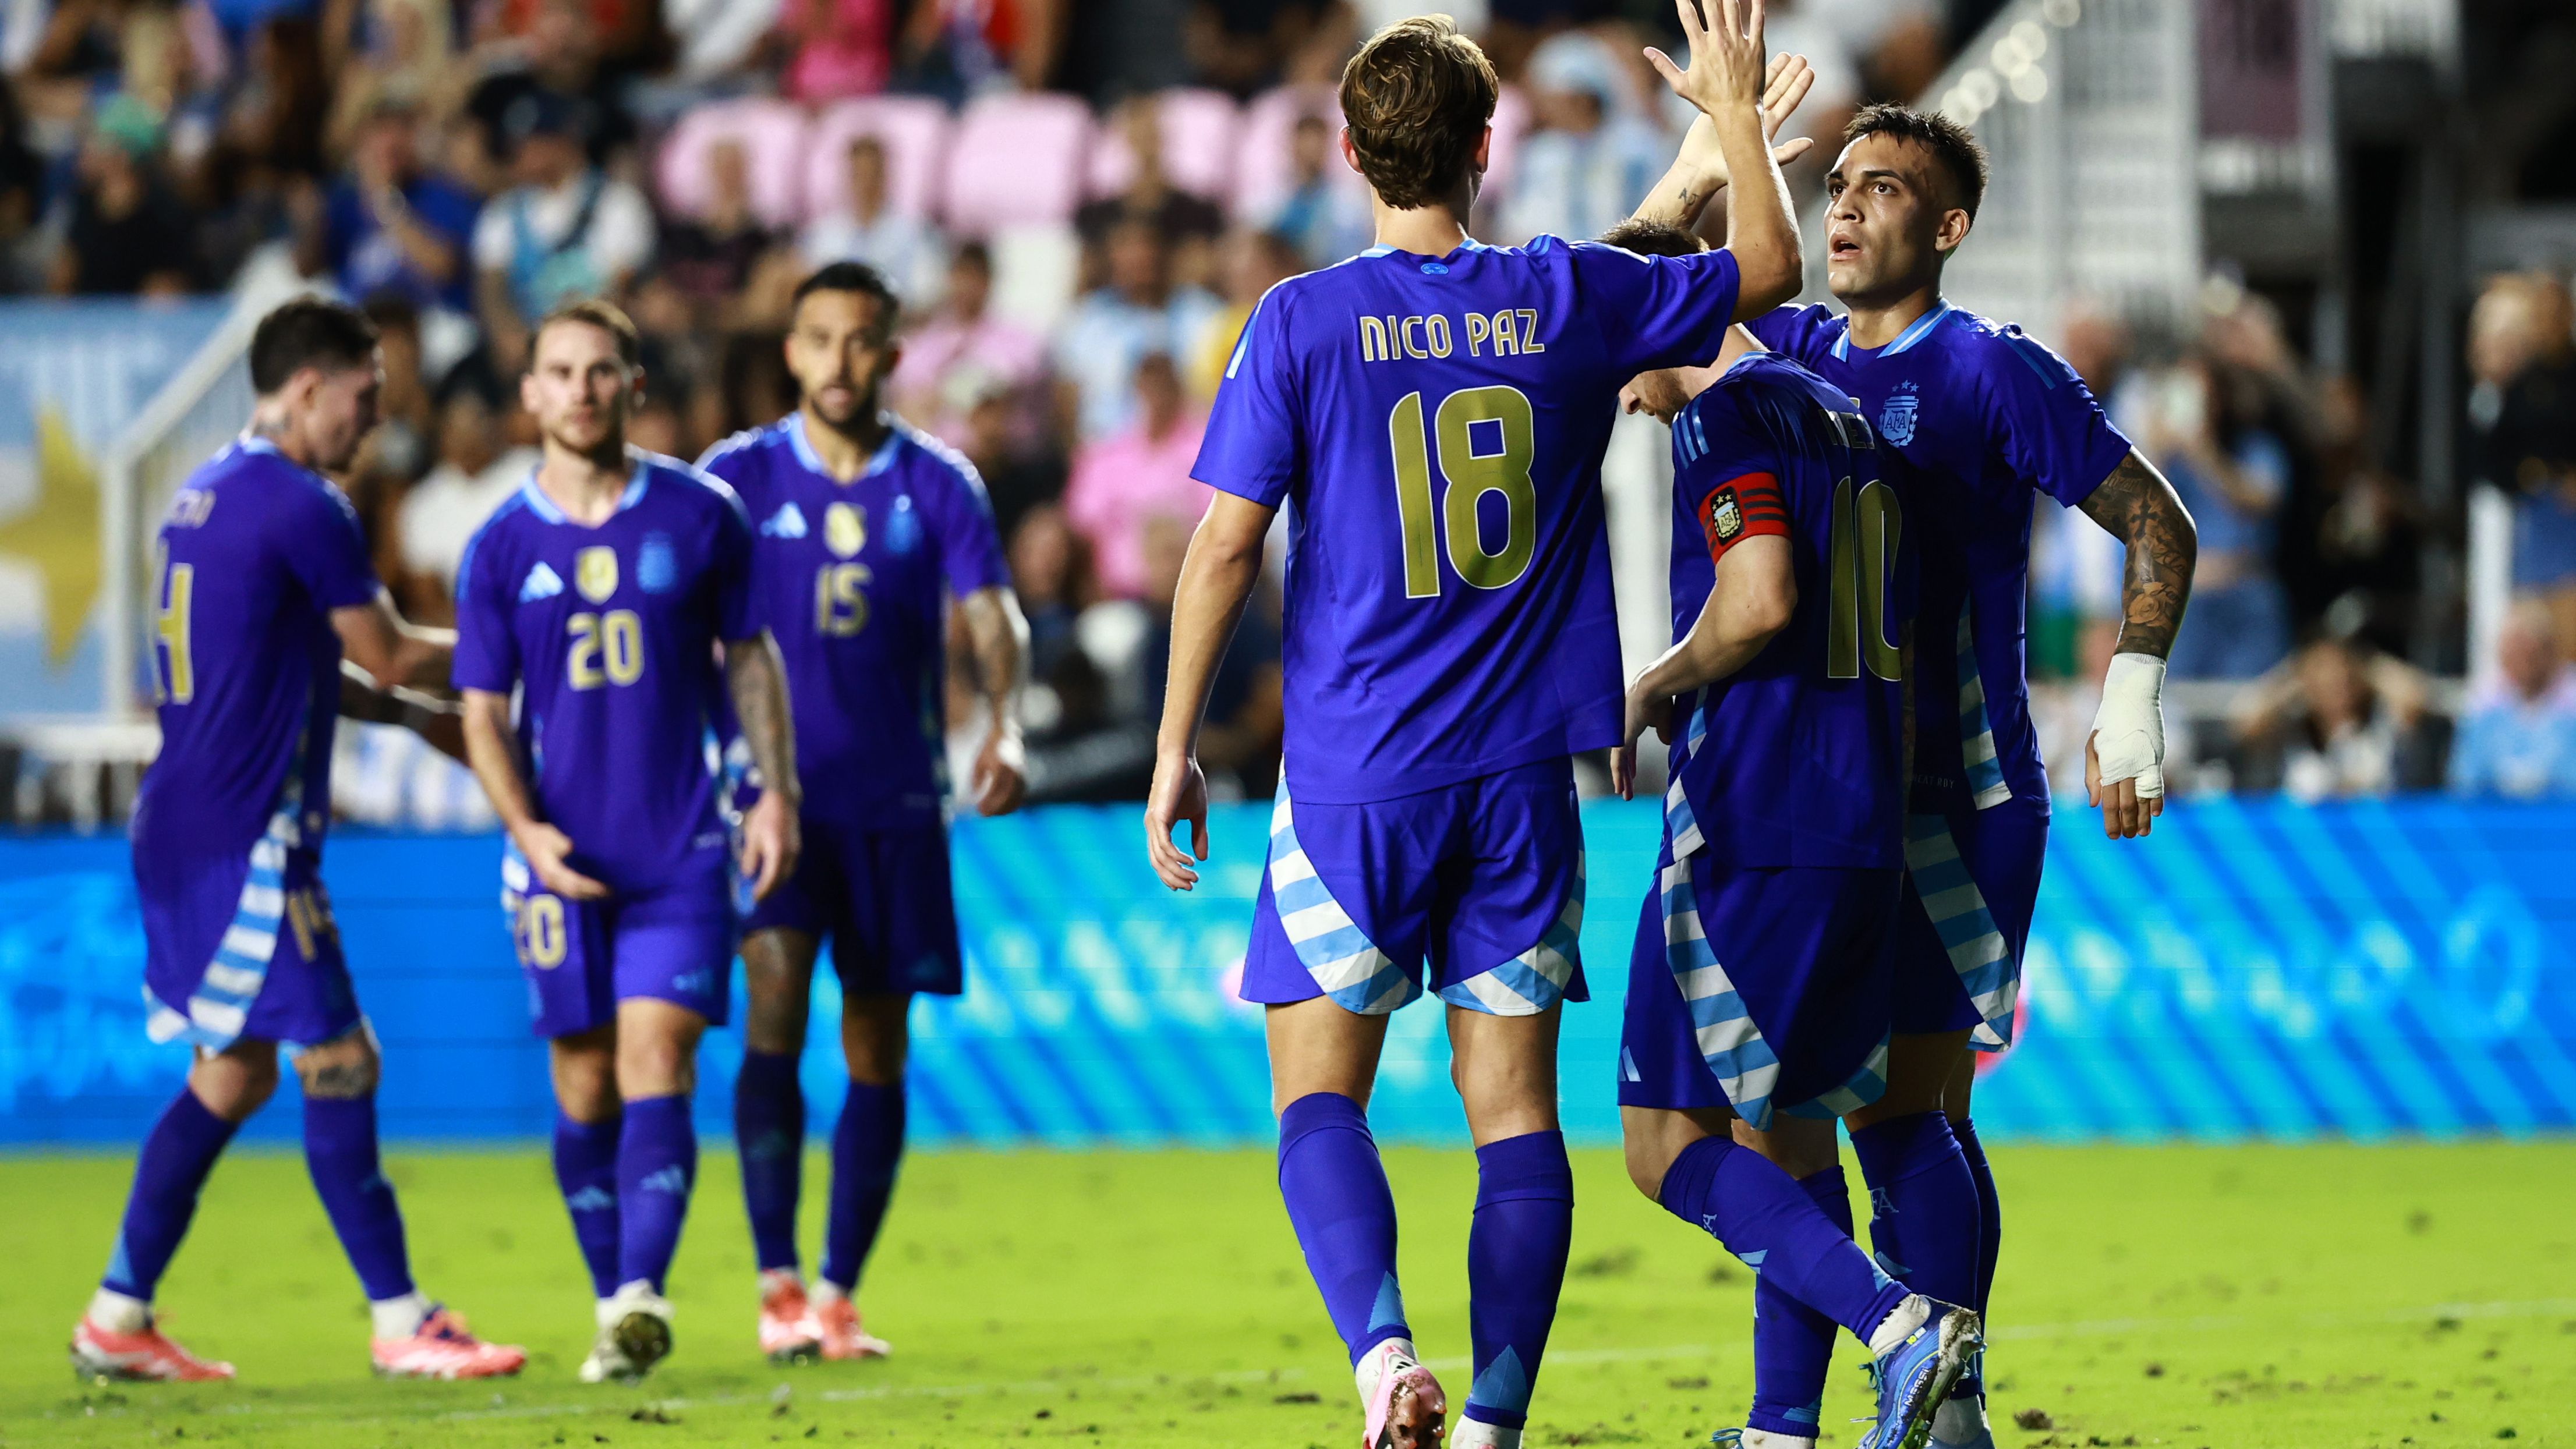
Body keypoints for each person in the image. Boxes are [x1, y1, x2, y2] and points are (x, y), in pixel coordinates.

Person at [1144, 10, 1940, 1449]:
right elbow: (1757, 272)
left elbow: (1219, 548)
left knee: (1319, 1095)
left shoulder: (1301, 321)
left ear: (1347, 151)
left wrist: (1174, 748)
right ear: (1485, 150)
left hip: (1353, 778)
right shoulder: (1558, 299)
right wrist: (1734, 135)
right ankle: (1496, 1422)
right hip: (1523, 777)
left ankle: (1387, 1359)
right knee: (1512, 1112)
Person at [1633, 102, 2199, 1449]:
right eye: (1836, 184)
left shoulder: (1991, 370)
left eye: (1882, 188)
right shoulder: (1800, 350)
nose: (1843, 206)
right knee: (1806, 1112)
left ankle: (1946, 1408)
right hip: (1843, 791)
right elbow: (1643, 298)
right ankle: (1825, 1414)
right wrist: (1719, 150)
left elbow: (2154, 521)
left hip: (1964, 793)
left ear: (1945, 229)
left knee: (1900, 1112)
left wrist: (2133, 699)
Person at [71, 297, 525, 1384]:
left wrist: (424, 723)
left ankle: (118, 1315)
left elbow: (307, 668)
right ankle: (402, 1318)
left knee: (232, 1076)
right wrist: (515, 655)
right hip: (246, 836)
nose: (373, 422)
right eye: (365, 398)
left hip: (186, 823)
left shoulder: (204, 495)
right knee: (341, 1058)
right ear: (308, 386)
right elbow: (385, 646)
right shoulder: (303, 501)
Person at [1601, 213, 1980, 1448]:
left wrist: (1655, 681)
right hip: (1864, 811)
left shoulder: (1729, 414)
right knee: (1792, 1118)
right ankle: (1780, 1429)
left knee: (1665, 1143)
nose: (1631, 395)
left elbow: (1757, 594)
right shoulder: (1849, 421)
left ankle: (1899, 1324)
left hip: (1757, 817)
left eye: (1625, 351)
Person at [452, 299, 800, 1383]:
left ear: (634, 385)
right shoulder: (499, 544)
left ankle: (641, 1294)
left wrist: (774, 793)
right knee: (583, 1082)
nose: (583, 389)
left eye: (602, 370)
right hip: (560, 855)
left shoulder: (701, 516)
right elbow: (481, 710)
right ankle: (613, 1296)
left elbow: (750, 661)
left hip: (681, 849)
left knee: (661, 1056)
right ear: (531, 394)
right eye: (560, 371)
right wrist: (526, 830)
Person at [698, 261, 1027, 1363]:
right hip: (776, 803)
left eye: (860, 341)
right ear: (791, 351)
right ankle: (774, 1280)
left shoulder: (935, 482)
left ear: (891, 356)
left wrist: (1005, 721)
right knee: (776, 1007)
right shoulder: (733, 478)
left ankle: (837, 1291)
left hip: (896, 804)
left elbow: (992, 614)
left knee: (876, 1042)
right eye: (819, 339)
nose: (839, 361)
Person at [2452, 600, 2576, 799]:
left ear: (2548, 651)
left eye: (2527, 651)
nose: (2519, 661)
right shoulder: (2485, 703)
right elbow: (2465, 782)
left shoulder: (2571, 700)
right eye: (2511, 652)